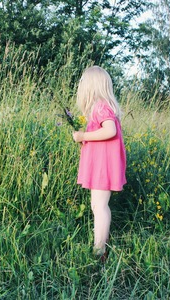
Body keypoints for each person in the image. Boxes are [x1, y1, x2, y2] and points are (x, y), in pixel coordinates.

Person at [72, 66, 127, 262]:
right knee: (97, 205)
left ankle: (100, 249)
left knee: (100, 206)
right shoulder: (102, 107)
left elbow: (110, 131)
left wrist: (83, 136)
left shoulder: (100, 107)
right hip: (102, 164)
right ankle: (100, 243)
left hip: (104, 166)